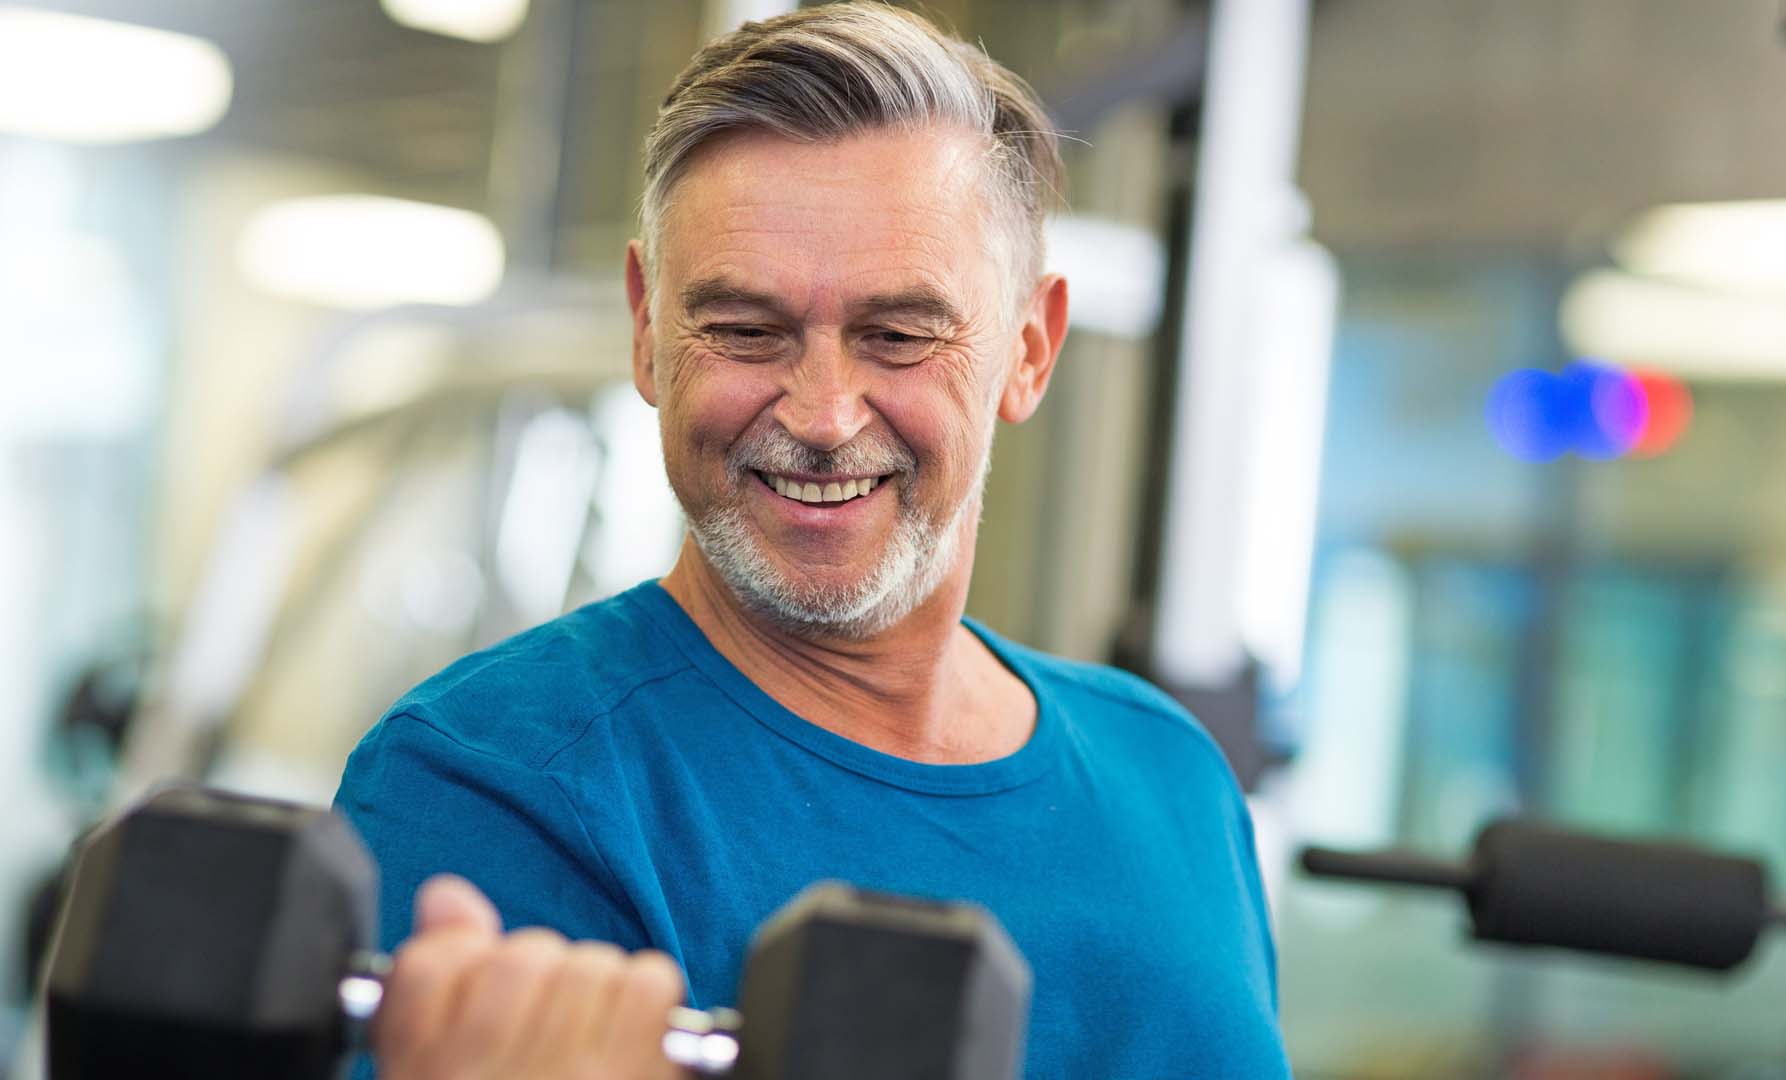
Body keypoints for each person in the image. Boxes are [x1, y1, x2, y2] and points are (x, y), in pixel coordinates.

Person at [334, 4, 1292, 1077]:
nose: (824, 414)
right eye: (746, 330)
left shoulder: (1170, 774)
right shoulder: (492, 781)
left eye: (898, 335)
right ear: (649, 331)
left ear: (1029, 348)